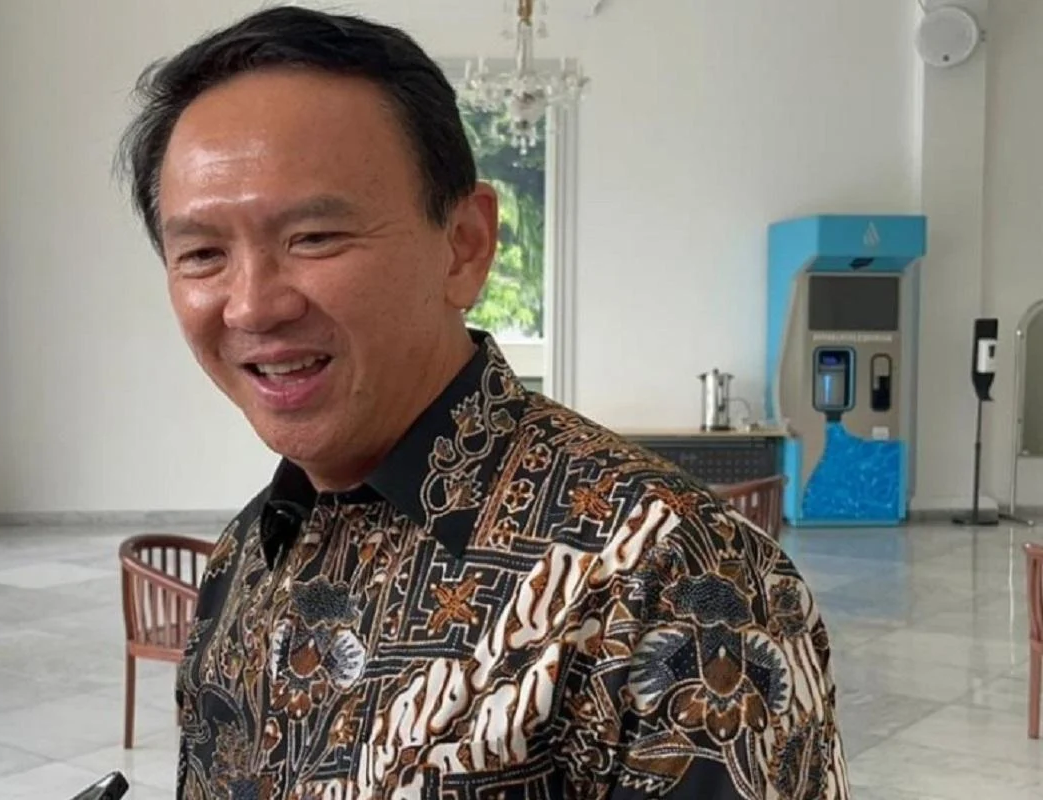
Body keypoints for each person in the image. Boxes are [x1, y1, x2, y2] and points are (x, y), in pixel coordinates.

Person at [116, 6, 849, 798]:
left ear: (465, 244)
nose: (253, 306)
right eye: (203, 254)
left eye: (315, 237)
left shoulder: (673, 583)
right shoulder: (251, 548)